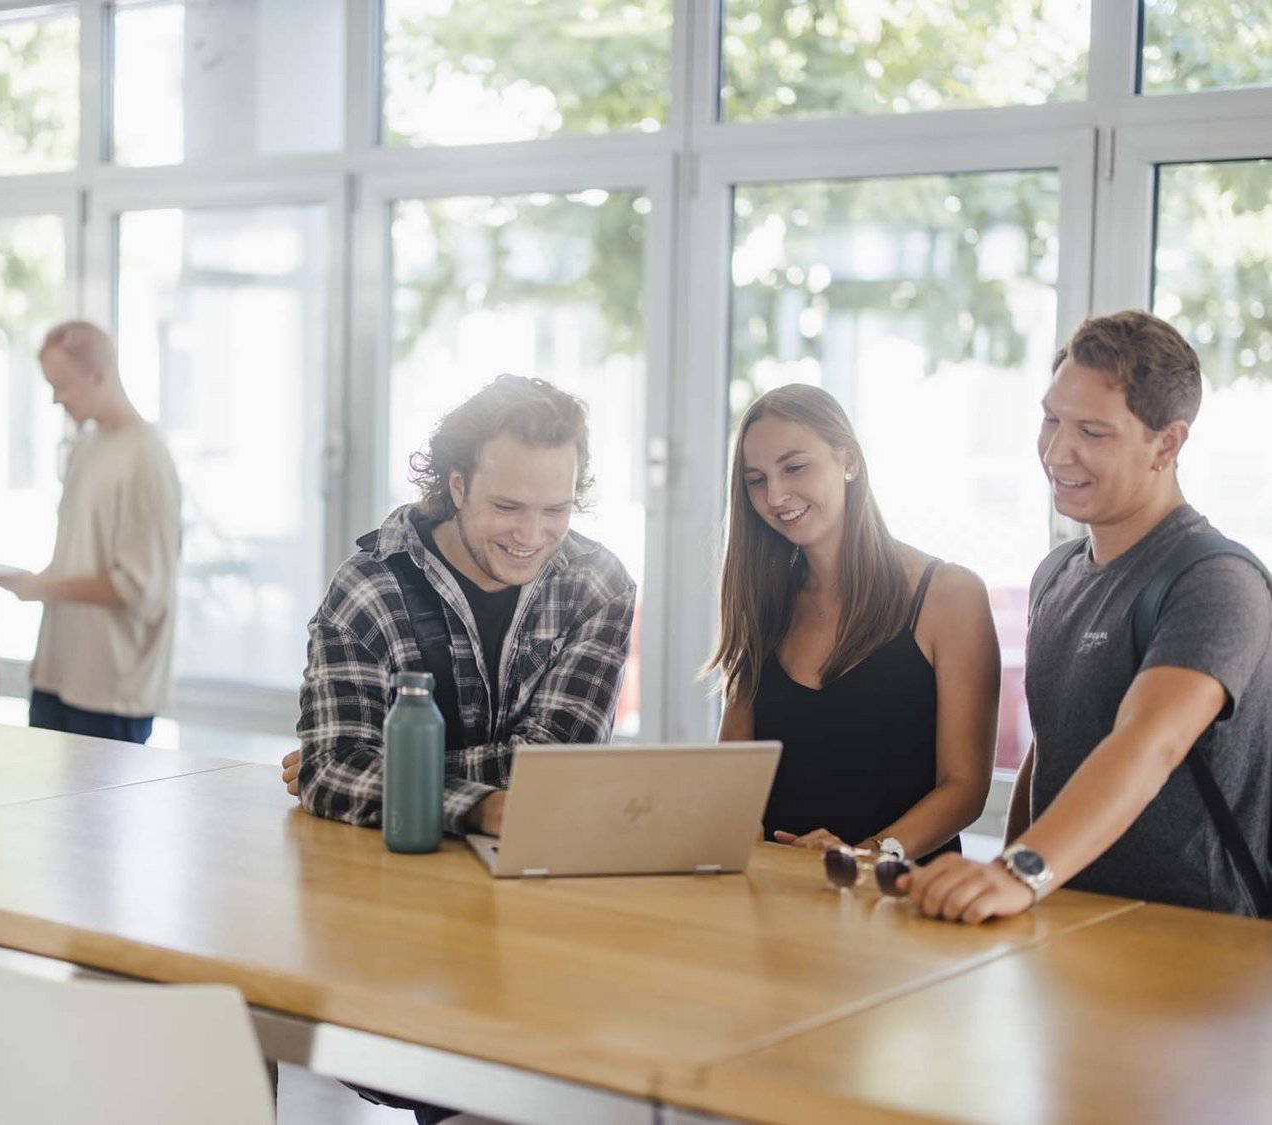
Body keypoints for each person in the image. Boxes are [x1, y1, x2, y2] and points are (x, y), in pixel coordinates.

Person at [908, 310, 1272, 923]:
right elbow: (1049, 751)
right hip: (1068, 930)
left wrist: (1020, 874)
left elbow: (1149, 742)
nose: (1056, 450)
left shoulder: (1215, 582)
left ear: (1168, 443)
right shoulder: (1057, 573)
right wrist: (1011, 875)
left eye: (1093, 432)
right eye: (1050, 419)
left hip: (1200, 952)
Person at [287, 374, 636, 836]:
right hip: (389, 876)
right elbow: (334, 770)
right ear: (458, 486)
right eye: (508, 507)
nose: (532, 537)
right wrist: (481, 807)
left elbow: (559, 769)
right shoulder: (368, 588)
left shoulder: (598, 585)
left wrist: (386, 769)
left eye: (555, 510)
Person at [708, 384, 999, 863]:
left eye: (794, 467)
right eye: (756, 479)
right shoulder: (762, 600)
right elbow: (733, 774)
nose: (775, 495)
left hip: (899, 897)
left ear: (849, 461)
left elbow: (965, 788)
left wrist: (866, 856)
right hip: (777, 894)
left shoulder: (949, 595)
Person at [0, 321, 180, 744]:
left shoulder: (146, 457)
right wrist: (36, 582)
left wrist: (43, 588)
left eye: (62, 385)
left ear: (98, 375)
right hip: (58, 676)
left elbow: (141, 588)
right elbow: (82, 556)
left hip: (109, 692)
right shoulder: (87, 446)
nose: (56, 399)